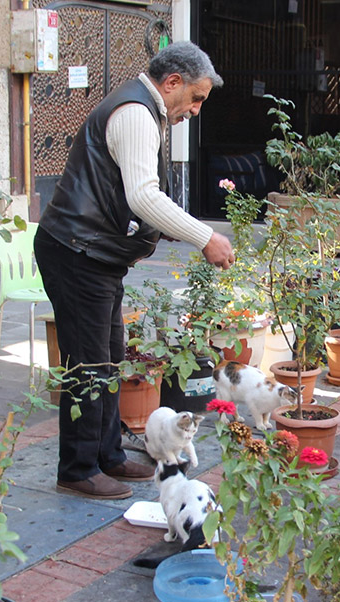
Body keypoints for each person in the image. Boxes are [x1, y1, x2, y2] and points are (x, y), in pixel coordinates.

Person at [34, 41, 232, 500]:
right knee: (88, 364)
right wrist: (205, 236)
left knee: (108, 357)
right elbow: (143, 196)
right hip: (76, 253)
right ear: (173, 82)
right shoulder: (136, 113)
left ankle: (108, 455)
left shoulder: (144, 110)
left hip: (94, 256)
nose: (196, 110)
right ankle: (78, 468)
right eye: (197, 98)